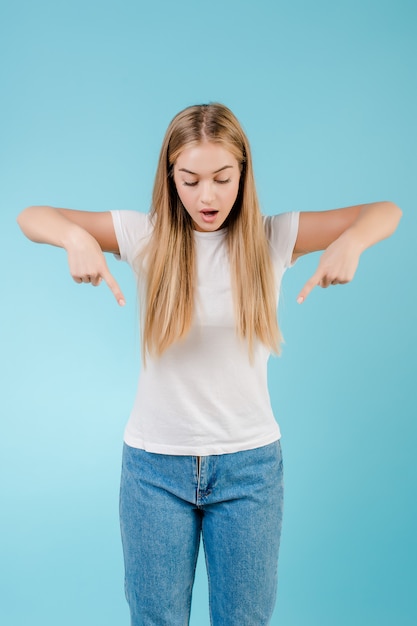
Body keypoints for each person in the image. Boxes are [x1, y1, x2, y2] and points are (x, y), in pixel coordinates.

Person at [17, 103, 402, 626]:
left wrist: (352, 241)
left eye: (222, 179)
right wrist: (75, 237)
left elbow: (385, 210)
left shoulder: (273, 238)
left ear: (242, 173)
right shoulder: (143, 236)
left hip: (249, 470)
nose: (207, 196)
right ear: (170, 176)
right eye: (190, 179)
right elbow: (31, 216)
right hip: (154, 471)